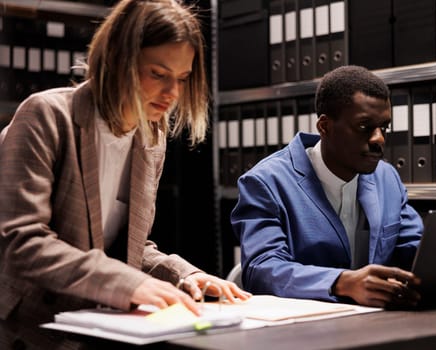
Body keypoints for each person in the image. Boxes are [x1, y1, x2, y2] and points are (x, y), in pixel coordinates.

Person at [0, 0, 250, 348]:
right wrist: (127, 284)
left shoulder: (152, 137)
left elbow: (134, 247)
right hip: (27, 330)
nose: (173, 94)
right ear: (118, 60)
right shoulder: (45, 115)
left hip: (95, 326)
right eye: (158, 75)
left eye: (182, 78)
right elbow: (22, 242)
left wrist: (186, 275)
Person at [231, 65, 436, 309]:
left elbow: (413, 250)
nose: (379, 139)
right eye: (365, 127)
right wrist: (342, 283)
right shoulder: (266, 182)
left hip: (373, 324)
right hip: (303, 334)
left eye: (384, 127)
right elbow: (262, 269)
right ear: (325, 127)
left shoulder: (386, 178)